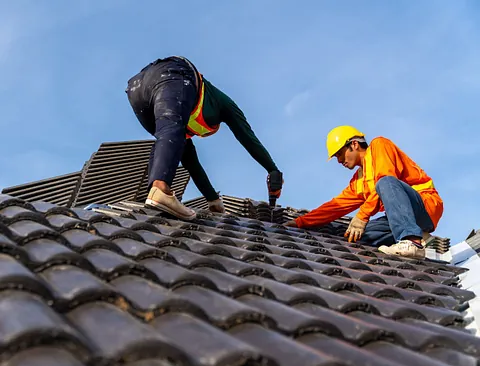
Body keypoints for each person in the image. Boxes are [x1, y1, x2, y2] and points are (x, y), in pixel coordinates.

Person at [125, 55, 284, 220]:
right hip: (173, 73)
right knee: (172, 132)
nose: (194, 134)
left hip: (137, 89)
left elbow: (192, 164)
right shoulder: (223, 103)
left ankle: (153, 196)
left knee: (167, 142)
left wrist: (213, 199)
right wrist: (272, 169)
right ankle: (160, 188)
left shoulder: (180, 123)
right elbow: (247, 137)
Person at [284, 126, 444, 259]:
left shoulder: (379, 145)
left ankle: (413, 241)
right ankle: (420, 237)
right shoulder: (359, 180)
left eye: (339, 154)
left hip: (424, 205)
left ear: (354, 144)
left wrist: (362, 216)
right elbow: (335, 206)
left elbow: (386, 178)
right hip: (400, 217)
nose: (339, 161)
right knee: (359, 237)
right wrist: (301, 222)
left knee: (385, 182)